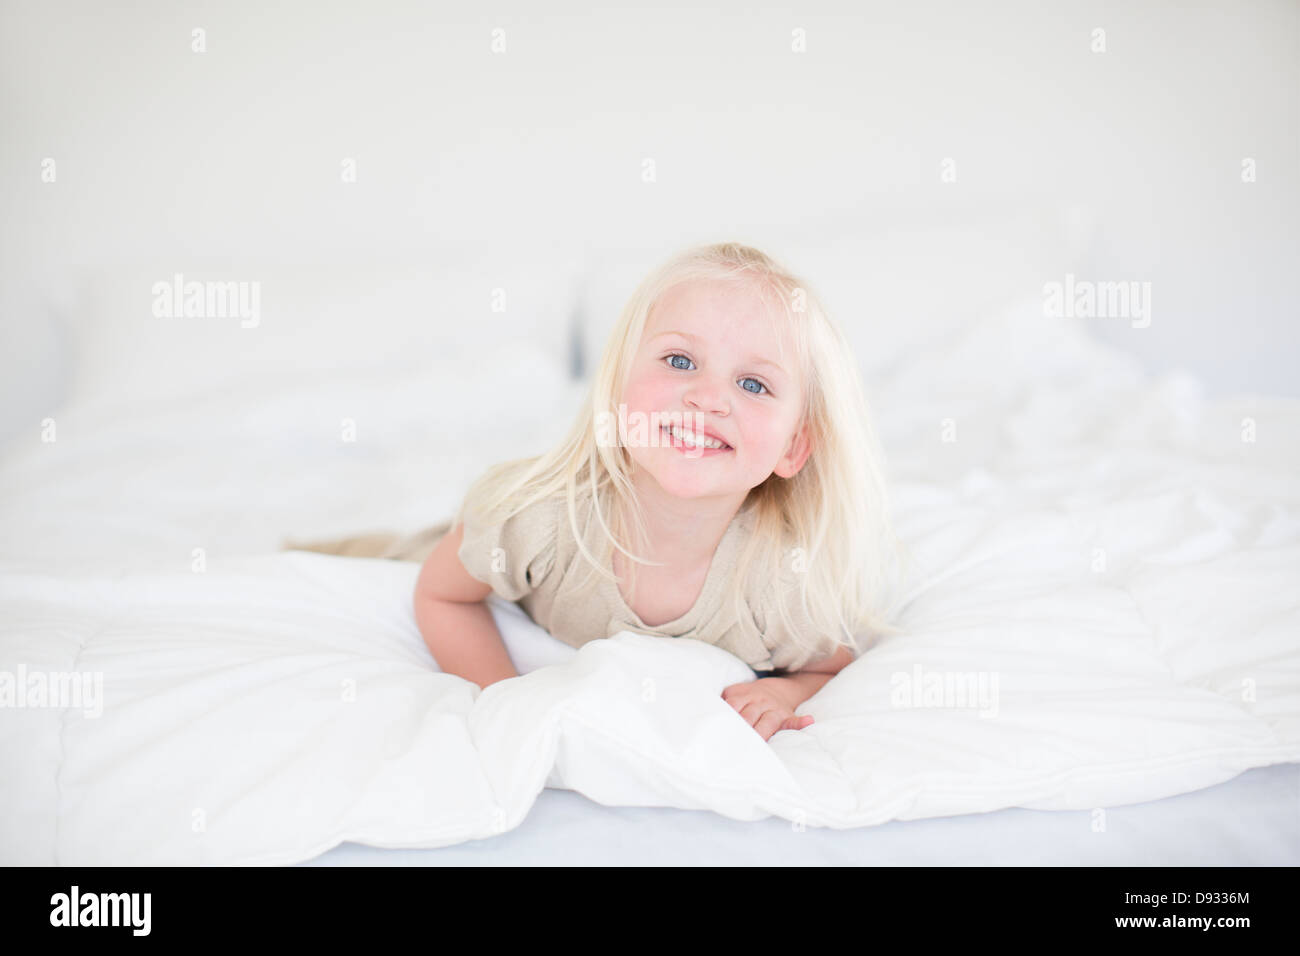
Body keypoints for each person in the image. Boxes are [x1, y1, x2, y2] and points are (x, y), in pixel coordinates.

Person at [286, 241, 908, 741]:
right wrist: (507, 697)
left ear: (794, 449)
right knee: (364, 553)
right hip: (436, 550)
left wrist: (782, 690)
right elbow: (445, 594)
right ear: (617, 388)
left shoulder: (781, 582)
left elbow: (828, 663)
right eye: (681, 362)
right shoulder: (538, 518)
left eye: (753, 384)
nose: (708, 397)